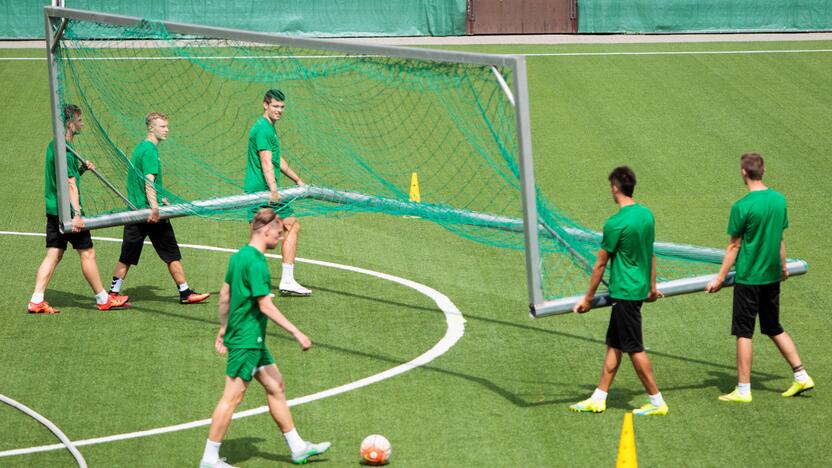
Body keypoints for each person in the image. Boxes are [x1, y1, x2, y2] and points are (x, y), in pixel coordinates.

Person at [199, 208, 330, 468]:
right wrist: (297, 332)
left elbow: (225, 295)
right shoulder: (257, 263)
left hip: (249, 338)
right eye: (279, 234)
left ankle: (297, 447)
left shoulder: (239, 257)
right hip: (247, 340)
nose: (281, 238)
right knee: (232, 397)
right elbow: (265, 306)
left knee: (276, 385)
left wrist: (224, 328)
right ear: (266, 230)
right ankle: (209, 459)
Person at [706, 153, 814, 401]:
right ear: (762, 171)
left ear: (744, 173)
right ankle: (801, 375)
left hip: (749, 278)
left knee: (744, 332)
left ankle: (743, 389)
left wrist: (720, 278)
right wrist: (783, 266)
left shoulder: (742, 206)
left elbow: (734, 246)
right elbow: (779, 237)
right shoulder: (779, 200)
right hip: (771, 276)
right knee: (773, 326)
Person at [570, 166, 667, 416]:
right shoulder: (646, 215)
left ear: (615, 188)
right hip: (637, 290)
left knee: (635, 348)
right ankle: (599, 396)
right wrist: (652, 288)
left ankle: (657, 401)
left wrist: (588, 299)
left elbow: (601, 263)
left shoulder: (615, 223)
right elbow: (651, 252)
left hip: (625, 292)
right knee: (615, 343)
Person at [28, 104, 129, 314]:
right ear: (69, 123)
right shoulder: (66, 151)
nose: (82, 124)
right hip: (67, 212)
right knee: (88, 253)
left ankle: (36, 300)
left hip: (54, 209)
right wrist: (77, 215)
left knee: (54, 254)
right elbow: (70, 184)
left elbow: (63, 179)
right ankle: (103, 298)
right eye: (79, 121)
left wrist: (81, 169)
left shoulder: (53, 145)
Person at [108, 112, 210, 305]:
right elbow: (149, 180)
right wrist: (155, 207)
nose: (166, 130)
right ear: (151, 128)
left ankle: (113, 294)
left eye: (166, 126)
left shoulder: (142, 148)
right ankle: (184, 293)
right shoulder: (150, 151)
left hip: (137, 211)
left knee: (132, 255)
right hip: (147, 213)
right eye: (162, 127)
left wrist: (160, 198)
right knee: (167, 253)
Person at [244, 89, 310, 296]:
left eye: (282, 107)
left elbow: (276, 161)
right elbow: (265, 160)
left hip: (270, 191)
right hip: (262, 192)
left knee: (292, 226)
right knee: (259, 237)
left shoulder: (269, 128)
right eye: (275, 106)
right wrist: (273, 188)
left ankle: (287, 280)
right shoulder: (263, 129)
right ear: (265, 105)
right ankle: (250, 285)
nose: (279, 110)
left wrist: (297, 179)